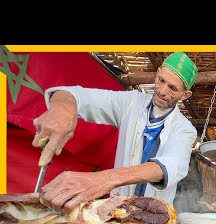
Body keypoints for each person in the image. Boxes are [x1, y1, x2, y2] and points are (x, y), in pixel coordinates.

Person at [32, 52, 198, 214]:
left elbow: (167, 167)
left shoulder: (184, 129)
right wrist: (63, 108)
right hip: (115, 213)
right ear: (157, 73)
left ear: (185, 95)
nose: (162, 91)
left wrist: (103, 180)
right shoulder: (130, 102)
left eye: (173, 88)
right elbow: (75, 95)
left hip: (156, 219)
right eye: (161, 80)